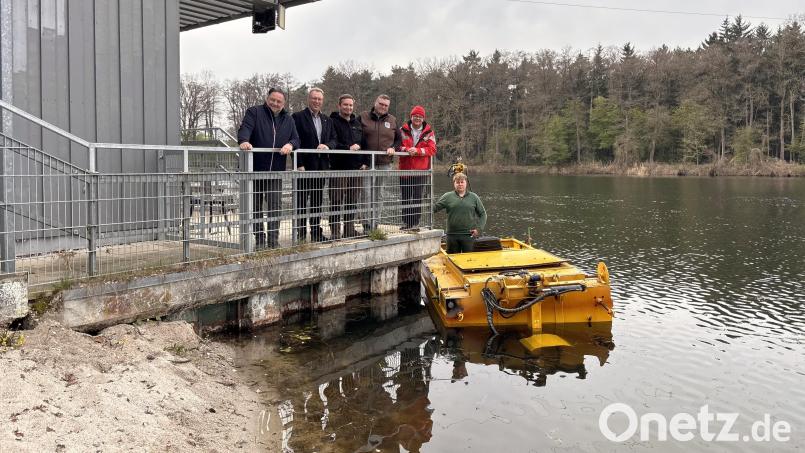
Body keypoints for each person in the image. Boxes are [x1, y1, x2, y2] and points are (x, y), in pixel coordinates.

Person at [237, 87, 299, 249]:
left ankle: (273, 241)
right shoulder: (255, 112)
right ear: (267, 99)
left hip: (276, 171)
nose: (275, 103)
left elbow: (296, 139)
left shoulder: (288, 119)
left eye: (279, 101)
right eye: (273, 100)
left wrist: (290, 144)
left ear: (283, 104)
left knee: (275, 206)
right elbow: (245, 128)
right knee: (256, 206)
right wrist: (244, 140)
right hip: (255, 170)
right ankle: (260, 241)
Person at [292, 87, 337, 242]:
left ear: (322, 101)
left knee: (317, 201)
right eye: (314, 98)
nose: (317, 101)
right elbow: (294, 140)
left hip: (321, 166)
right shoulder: (297, 117)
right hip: (304, 167)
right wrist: (298, 163)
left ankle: (316, 233)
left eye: (319, 99)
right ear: (309, 99)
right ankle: (301, 234)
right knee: (302, 202)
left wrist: (328, 146)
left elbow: (334, 139)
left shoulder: (327, 120)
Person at [359, 94, 401, 232]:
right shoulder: (363, 117)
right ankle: (366, 224)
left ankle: (375, 223)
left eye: (386, 105)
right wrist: (361, 158)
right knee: (366, 193)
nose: (383, 107)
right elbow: (356, 136)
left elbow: (399, 140)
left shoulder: (392, 120)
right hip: (366, 163)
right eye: (381, 104)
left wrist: (393, 148)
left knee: (379, 194)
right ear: (375, 103)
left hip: (384, 163)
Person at [329, 94, 367, 239]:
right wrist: (347, 148)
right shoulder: (332, 122)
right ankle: (335, 232)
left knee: (352, 200)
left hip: (356, 169)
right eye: (345, 105)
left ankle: (349, 230)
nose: (348, 107)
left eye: (350, 105)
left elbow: (363, 144)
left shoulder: (357, 124)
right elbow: (332, 142)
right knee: (336, 200)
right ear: (339, 105)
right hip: (339, 168)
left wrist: (365, 162)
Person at [399, 105, 436, 230]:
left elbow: (432, 149)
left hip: (420, 171)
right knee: (405, 197)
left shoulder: (429, 132)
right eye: (415, 116)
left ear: (423, 118)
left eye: (420, 117)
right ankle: (406, 223)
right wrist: (405, 149)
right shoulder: (402, 130)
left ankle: (415, 223)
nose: (418, 119)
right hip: (405, 170)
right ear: (411, 117)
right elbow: (397, 145)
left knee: (417, 197)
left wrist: (418, 150)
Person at [433, 173, 487, 254]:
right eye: (458, 182)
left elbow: (483, 214)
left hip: (469, 236)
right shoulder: (447, 196)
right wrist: (428, 201)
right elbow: (434, 209)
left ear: (466, 183)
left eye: (462, 182)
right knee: (452, 260)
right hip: (451, 235)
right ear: (454, 184)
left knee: (469, 260)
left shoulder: (474, 197)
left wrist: (478, 229)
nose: (460, 184)